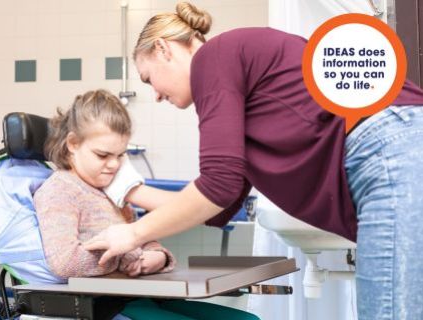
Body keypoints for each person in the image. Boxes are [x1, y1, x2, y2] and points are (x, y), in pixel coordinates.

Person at [84, 3, 423, 320]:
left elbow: (217, 185)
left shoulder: (213, 58)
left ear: (163, 48)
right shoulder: (238, 83)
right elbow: (217, 202)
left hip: (391, 150)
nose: (155, 95)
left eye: (148, 79)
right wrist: (127, 188)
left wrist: (132, 233)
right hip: (398, 153)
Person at [35, 89, 258, 320]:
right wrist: (125, 256)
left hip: (141, 296)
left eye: (120, 155)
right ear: (72, 143)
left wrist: (157, 258)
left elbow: (145, 240)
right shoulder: (59, 190)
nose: (113, 165)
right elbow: (65, 264)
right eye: (103, 155)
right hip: (107, 306)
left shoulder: (112, 191)